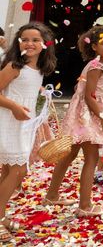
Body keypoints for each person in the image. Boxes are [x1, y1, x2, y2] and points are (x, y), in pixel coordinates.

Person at [45, 26, 103, 217]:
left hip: (83, 114)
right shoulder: (96, 66)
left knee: (69, 155)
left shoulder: (98, 65)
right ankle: (85, 205)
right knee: (91, 159)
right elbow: (89, 96)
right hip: (88, 117)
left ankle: (52, 194)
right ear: (94, 46)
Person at [0, 22, 56, 241]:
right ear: (18, 42)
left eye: (35, 40)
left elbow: (28, 92)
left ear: (45, 44)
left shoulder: (38, 69)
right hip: (8, 121)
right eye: (25, 39)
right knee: (17, 171)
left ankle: (2, 215)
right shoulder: (15, 66)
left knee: (10, 171)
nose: (29, 43)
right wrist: (14, 106)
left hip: (24, 124)